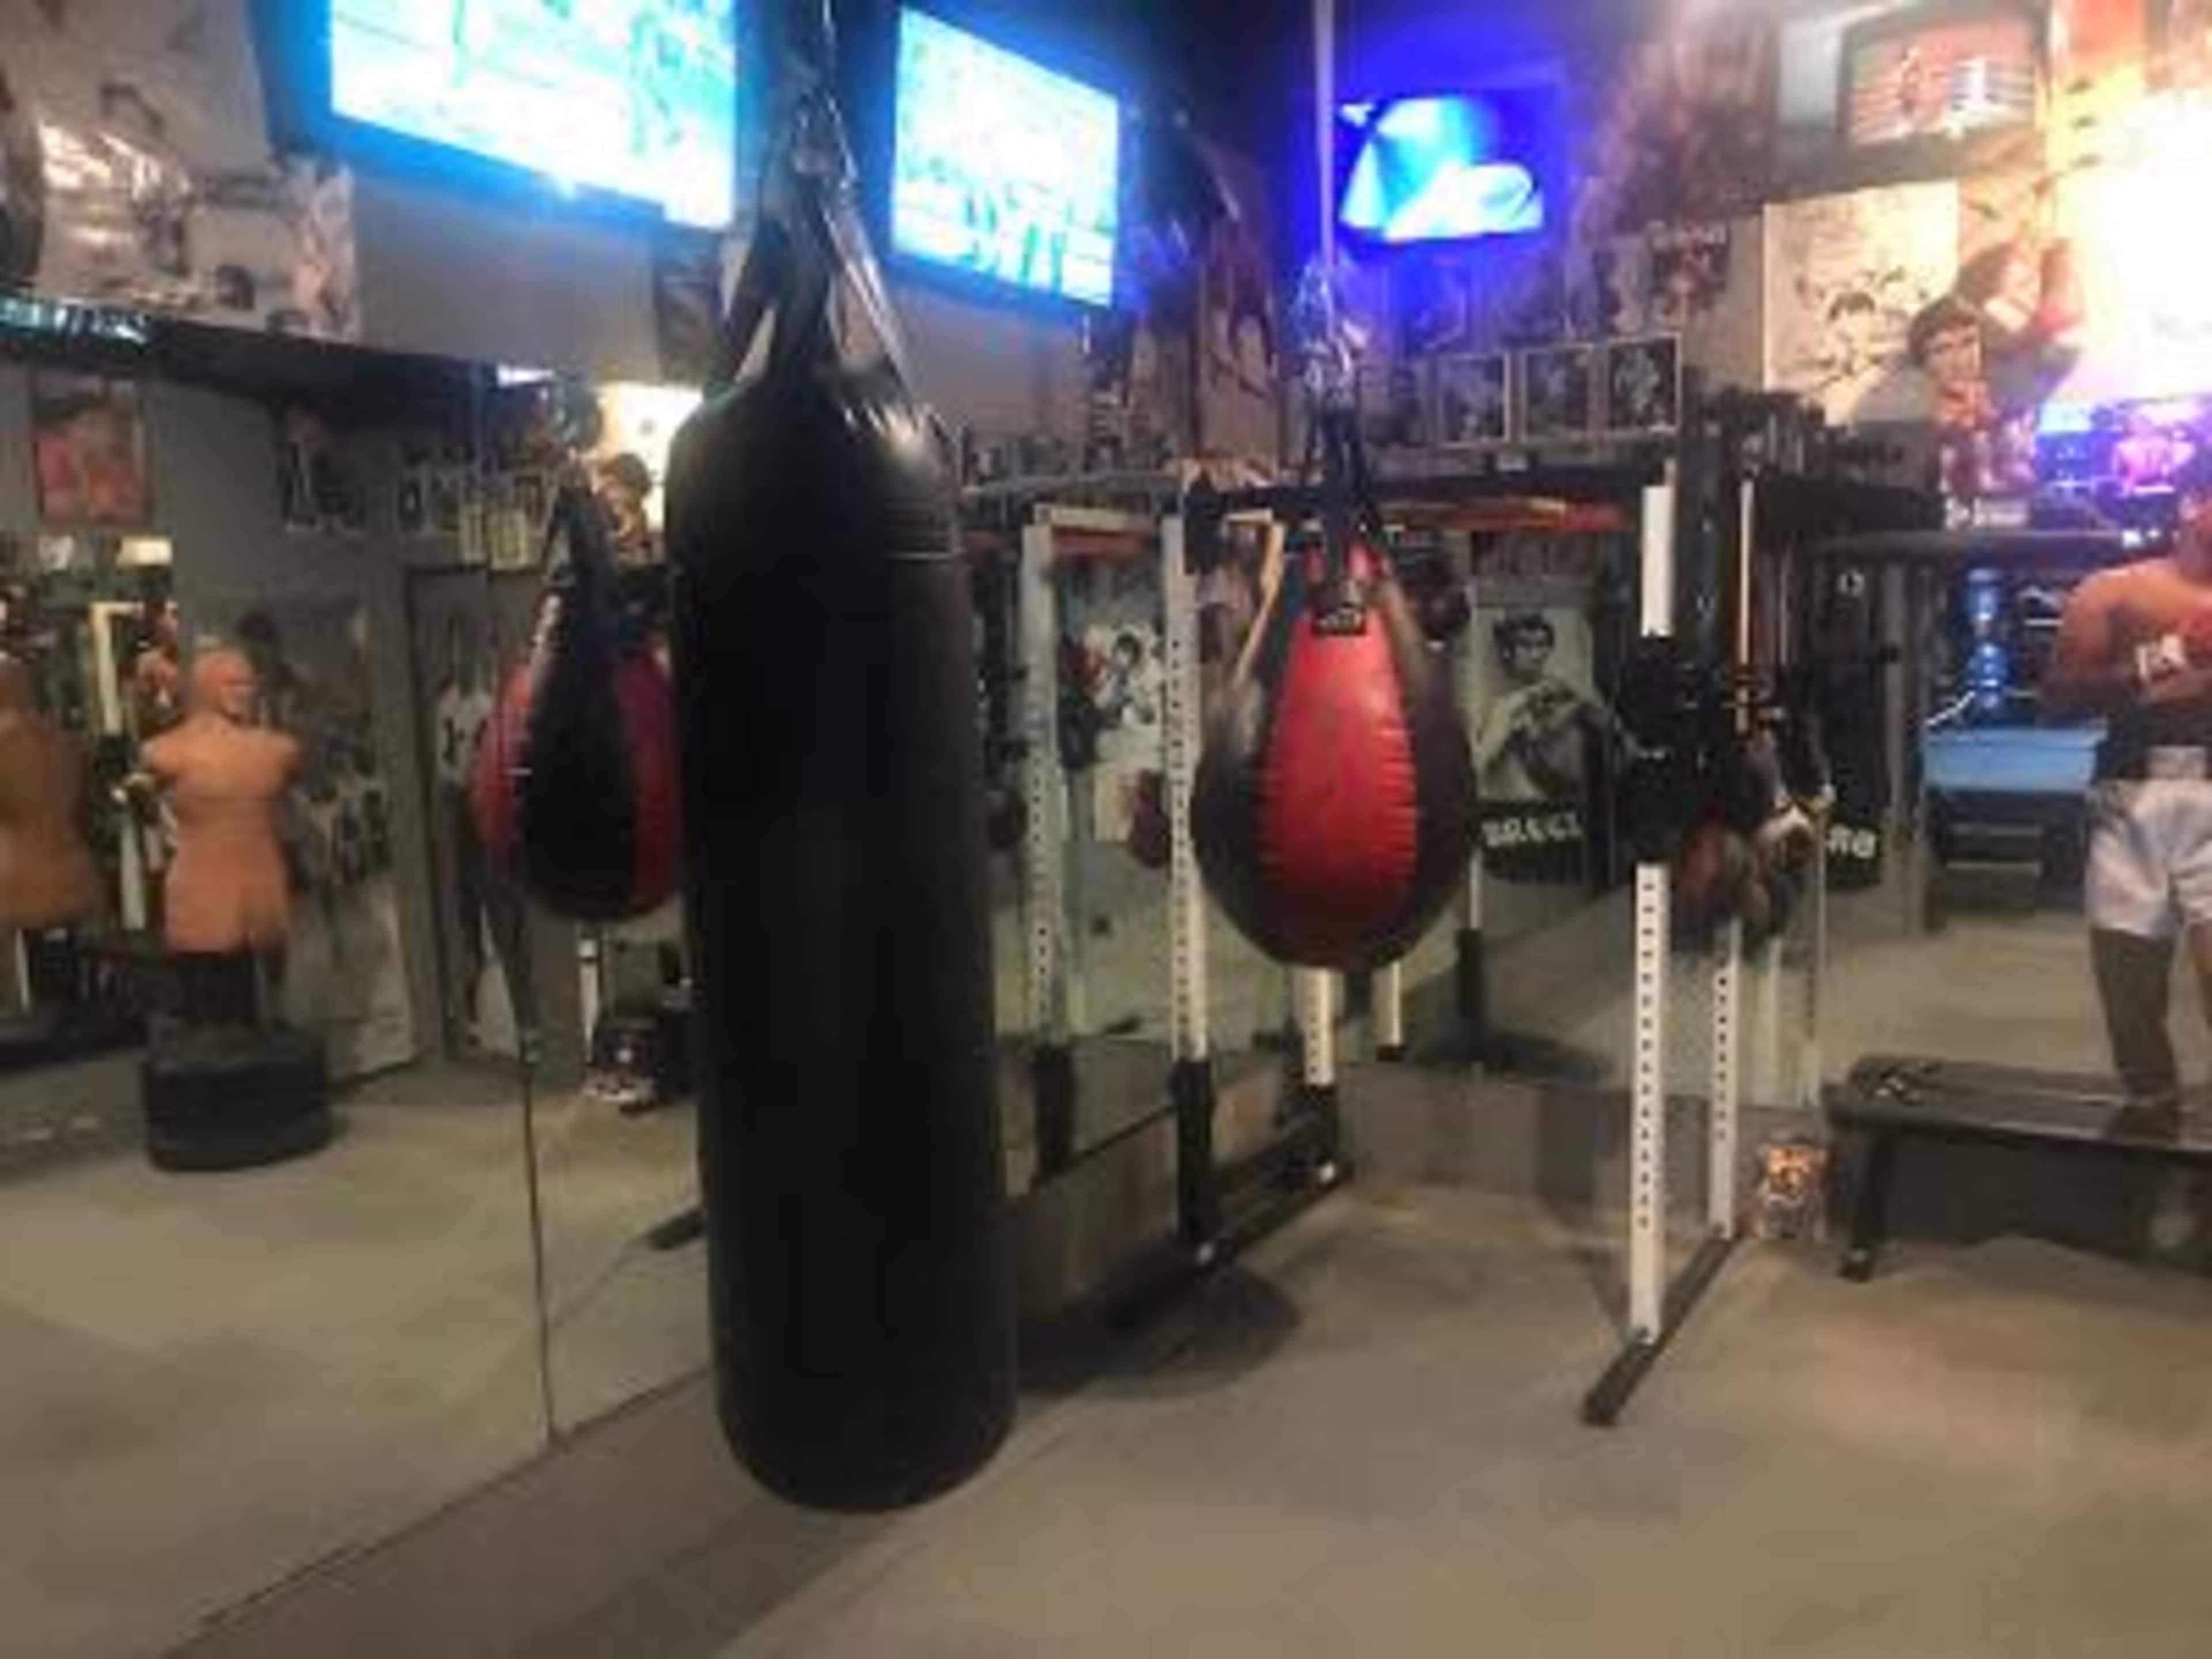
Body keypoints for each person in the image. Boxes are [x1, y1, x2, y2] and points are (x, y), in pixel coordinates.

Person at [2044, 449, 2212, 1122]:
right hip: (2130, 799)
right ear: (2191, 503)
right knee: (2129, 998)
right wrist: (2168, 656)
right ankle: (2157, 1131)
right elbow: (2056, 699)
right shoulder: (2114, 590)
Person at [1477, 613, 1611, 801]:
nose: (1537, 654)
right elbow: (1480, 762)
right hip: (1525, 805)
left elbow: (1613, 736)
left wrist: (1584, 706)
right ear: (1507, 652)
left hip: (1576, 802)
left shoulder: (1565, 690)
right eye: (1526, 646)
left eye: (1542, 645)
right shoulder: (1505, 706)